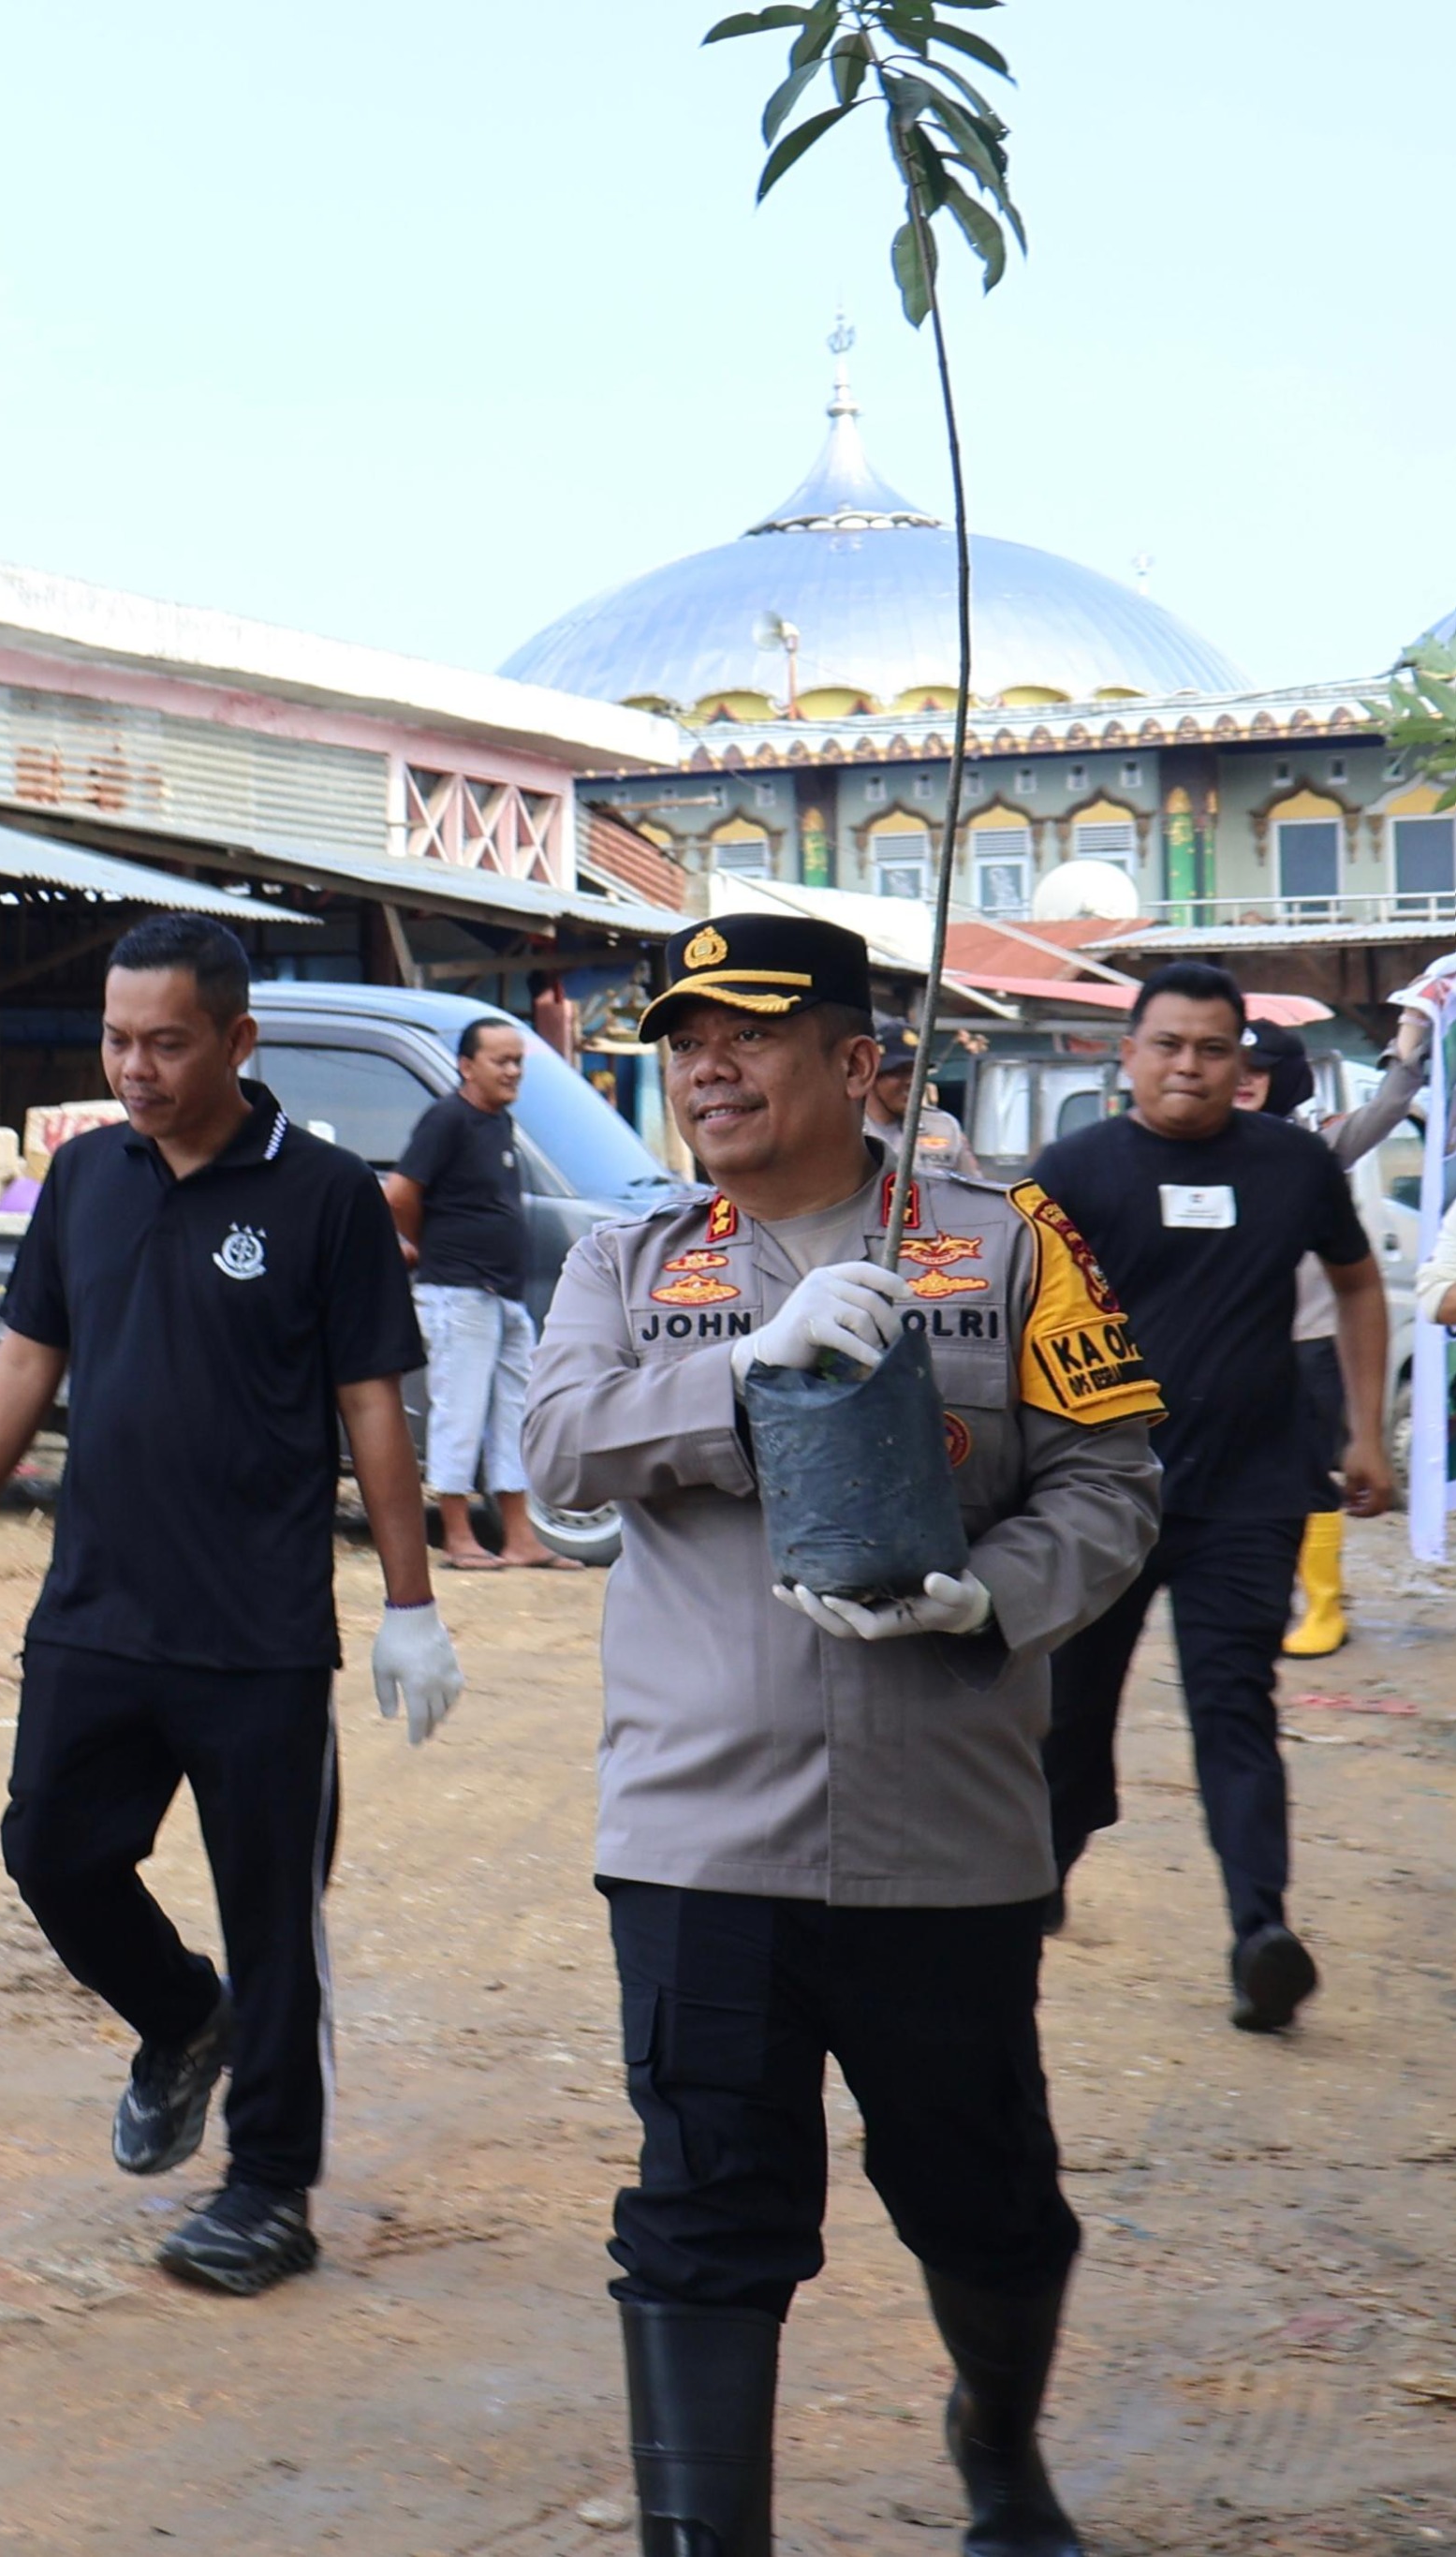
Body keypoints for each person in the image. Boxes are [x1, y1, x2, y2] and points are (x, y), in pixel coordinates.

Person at [524, 913, 1163, 2557]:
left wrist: (989, 1596)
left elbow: (1110, 1488)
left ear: (859, 1063)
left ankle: (997, 2447)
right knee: (704, 2213)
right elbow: (557, 1453)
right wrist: (742, 1375)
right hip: (696, 1834)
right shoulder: (631, 1260)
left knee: (983, 2197)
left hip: (940, 1835)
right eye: (680, 1040)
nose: (703, 1067)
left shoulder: (1006, 1241)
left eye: (745, 1032)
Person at [0, 912, 463, 2298]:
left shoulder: (326, 1198)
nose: (134, 1068)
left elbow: (370, 1406)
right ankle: (177, 2017)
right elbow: (30, 1359)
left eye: (165, 1042)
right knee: (50, 1851)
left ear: (237, 1040)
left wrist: (409, 1601)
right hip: (96, 1605)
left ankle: (270, 2189)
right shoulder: (85, 1178)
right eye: (115, 1039)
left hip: (257, 1632)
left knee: (275, 1916)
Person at [1035, 962, 1390, 2033]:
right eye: (1168, 1045)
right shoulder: (1073, 1169)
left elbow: (1357, 1279)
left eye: (1211, 1048)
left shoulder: (1292, 1166)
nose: (1188, 1065)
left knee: (1233, 1707)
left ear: (1243, 1064)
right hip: (1102, 1492)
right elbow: (1010, 1311)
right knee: (1069, 1713)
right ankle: (1038, 1870)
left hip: (1251, 1489)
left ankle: (1258, 1935)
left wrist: (1365, 1430)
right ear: (1128, 1053)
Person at [1234, 1013, 1424, 1657]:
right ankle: (1264, 1600)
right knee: (1241, 1476)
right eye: (1240, 1067)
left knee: (1311, 1473)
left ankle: (1323, 1607)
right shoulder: (1206, 1144)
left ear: (1284, 1078)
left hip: (1308, 1339)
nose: (1245, 1082)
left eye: (1261, 1071)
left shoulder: (1318, 1148)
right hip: (1235, 1342)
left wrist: (1408, 1046)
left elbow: (1391, 1105)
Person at [390, 1013, 573, 1569]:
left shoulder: (499, 1123)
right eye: (502, 1060)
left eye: (518, 1060)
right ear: (467, 1066)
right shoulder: (447, 1119)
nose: (514, 1070)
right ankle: (458, 1538)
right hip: (458, 1292)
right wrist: (431, 1247)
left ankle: (519, 1538)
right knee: (460, 1412)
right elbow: (399, 1194)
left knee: (512, 1416)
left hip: (505, 1295)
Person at [868, 1016, 978, 1177]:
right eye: (900, 1071)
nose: (912, 1081)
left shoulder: (944, 1127)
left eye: (918, 1071)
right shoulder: (843, 1130)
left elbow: (973, 1192)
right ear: (871, 1074)